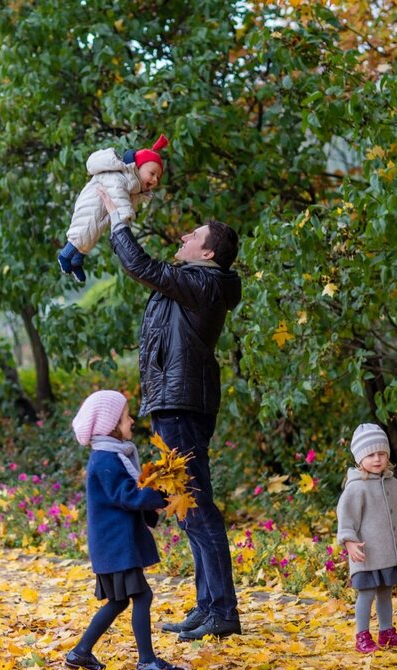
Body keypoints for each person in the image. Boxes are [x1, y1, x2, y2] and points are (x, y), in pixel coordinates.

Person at [96, 185, 243, 641]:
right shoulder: (194, 284)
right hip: (171, 403)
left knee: (197, 508)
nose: (184, 236)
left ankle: (222, 611)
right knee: (187, 510)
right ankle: (208, 606)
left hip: (182, 405)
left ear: (209, 251)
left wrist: (118, 219)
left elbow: (141, 266)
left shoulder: (206, 283)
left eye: (193, 234)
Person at [64, 390, 186, 670]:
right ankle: (146, 660)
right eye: (126, 416)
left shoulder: (113, 455)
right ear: (110, 425)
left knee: (120, 601)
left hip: (113, 544)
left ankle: (80, 652)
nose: (131, 421)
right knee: (141, 597)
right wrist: (161, 496)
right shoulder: (106, 459)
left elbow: (130, 492)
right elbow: (127, 495)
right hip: (116, 545)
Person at [336, 423, 397, 653]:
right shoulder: (356, 488)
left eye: (381, 453)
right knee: (366, 595)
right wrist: (349, 542)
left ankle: (386, 632)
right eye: (371, 454)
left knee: (386, 593)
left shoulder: (393, 484)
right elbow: (346, 519)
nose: (377, 459)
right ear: (360, 458)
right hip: (366, 554)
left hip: (387, 554)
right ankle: (362, 635)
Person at [56, 135, 168, 283]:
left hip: (103, 207)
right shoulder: (120, 175)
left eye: (158, 178)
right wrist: (125, 214)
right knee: (85, 227)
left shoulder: (133, 187)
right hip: (93, 201)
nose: (154, 180)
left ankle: (77, 259)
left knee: (94, 232)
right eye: (152, 174)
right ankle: (65, 255)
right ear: (138, 167)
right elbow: (117, 192)